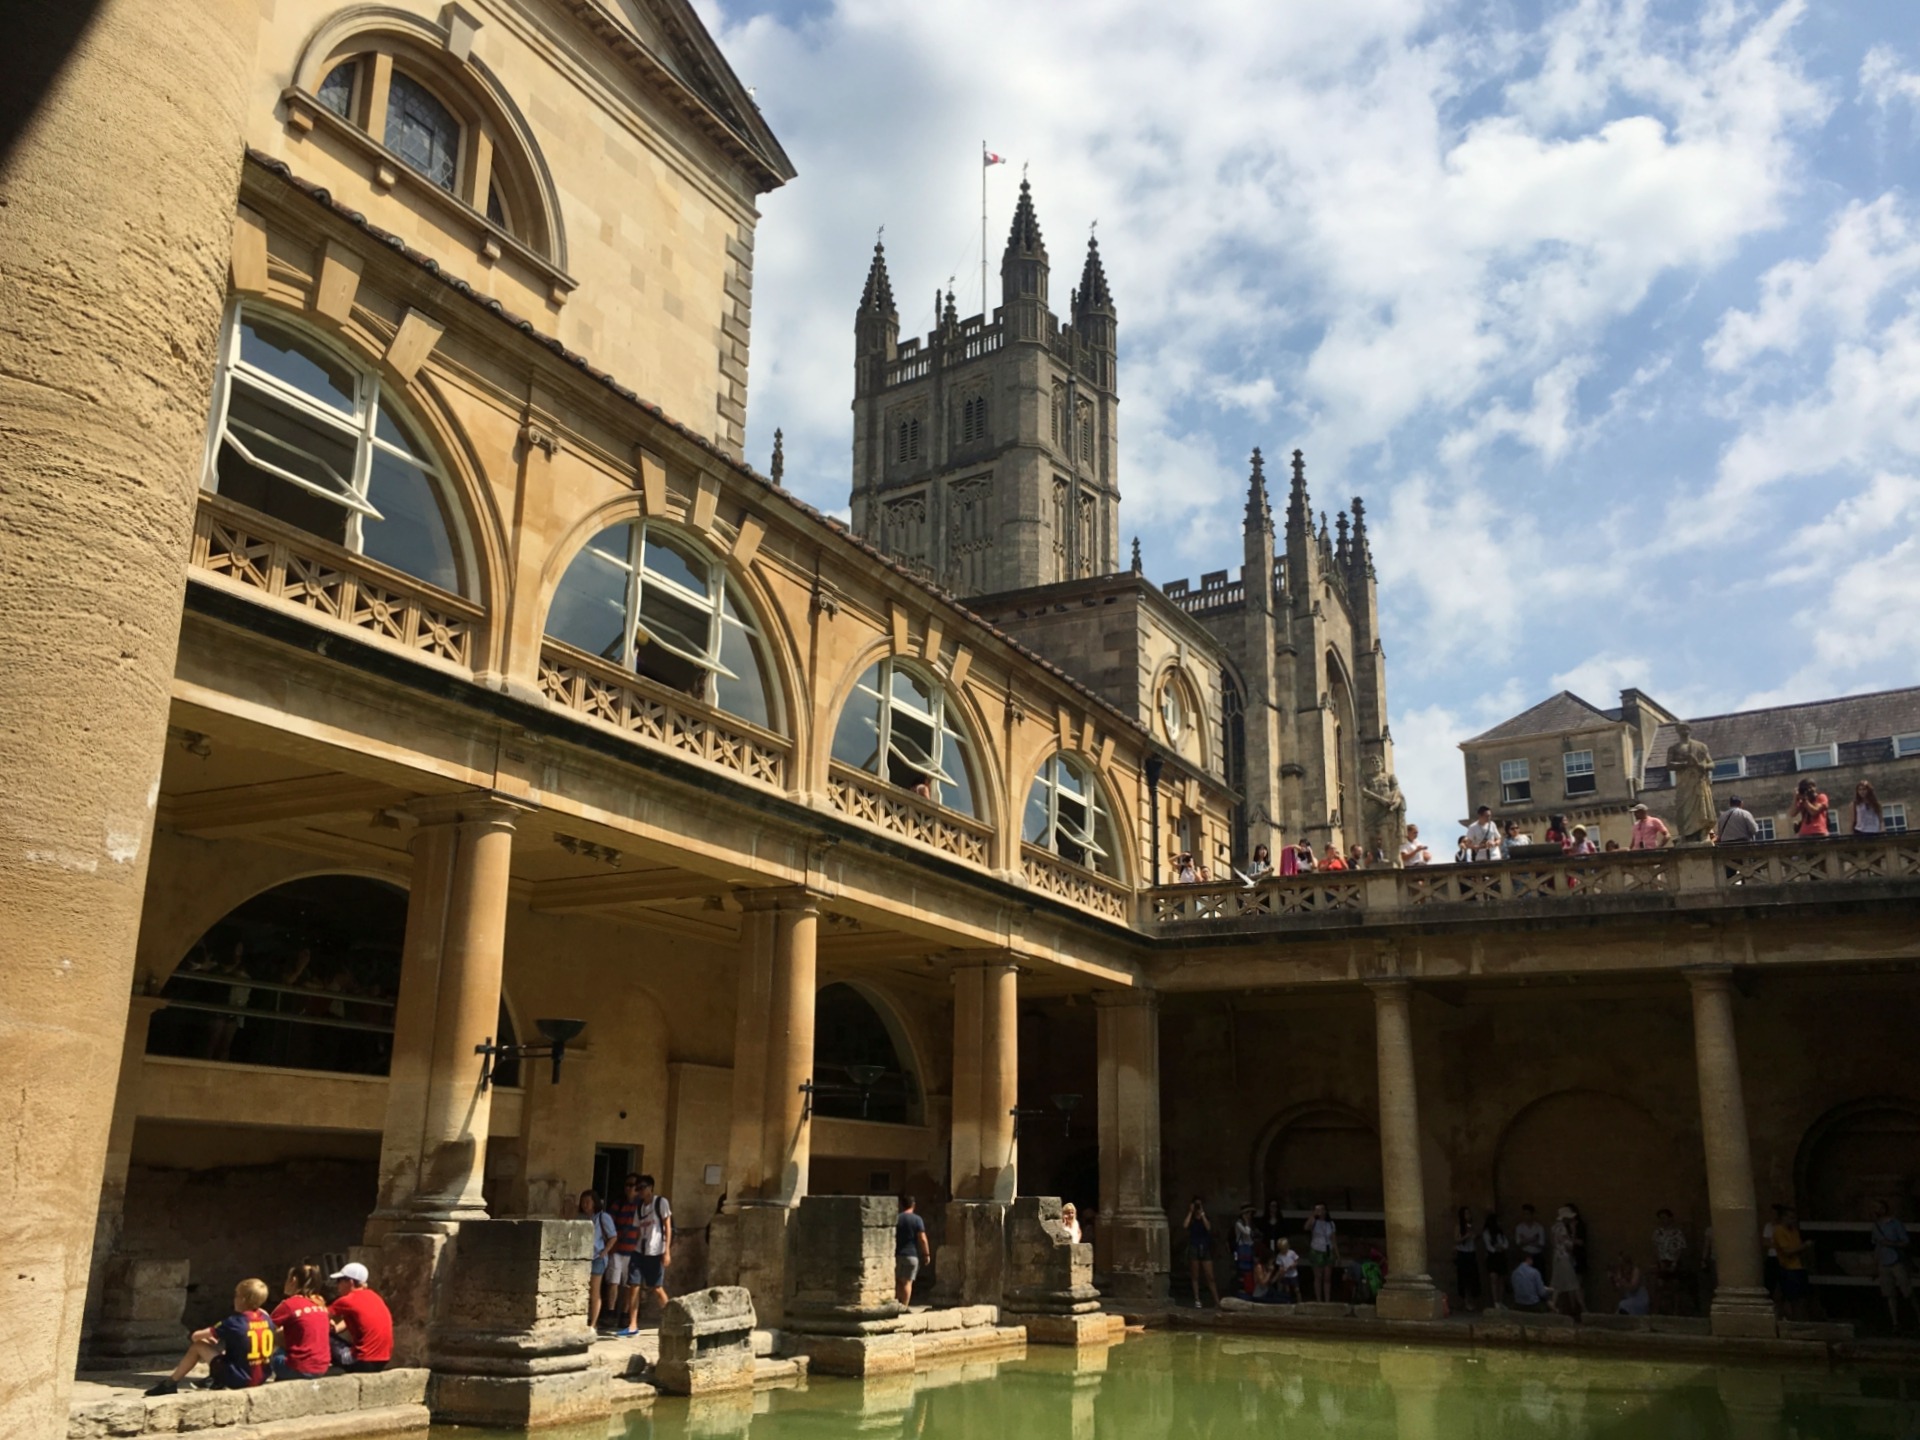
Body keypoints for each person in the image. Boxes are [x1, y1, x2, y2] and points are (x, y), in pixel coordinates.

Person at [146, 1277, 277, 1396]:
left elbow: (196, 1336)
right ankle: (215, 1379)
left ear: (242, 1299)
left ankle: (170, 1383)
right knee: (228, 1350)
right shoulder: (266, 1318)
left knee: (198, 1346)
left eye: (236, 1295)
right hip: (262, 1376)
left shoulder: (234, 1322)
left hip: (240, 1379)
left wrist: (205, 1338)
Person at [327, 1262, 393, 1373]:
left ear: (350, 1282)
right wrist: (336, 1329)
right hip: (382, 1360)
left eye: (339, 1281)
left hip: (361, 1361)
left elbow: (315, 1317)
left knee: (323, 1337)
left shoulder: (347, 1300)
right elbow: (358, 1319)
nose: (337, 1285)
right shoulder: (374, 1297)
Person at [270, 1263, 332, 1380]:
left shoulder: (289, 1304)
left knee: (275, 1346)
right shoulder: (321, 1303)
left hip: (299, 1368)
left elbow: (265, 1327)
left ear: (293, 1280)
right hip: (322, 1367)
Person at [1871, 1199, 1915, 1328]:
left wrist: (1890, 1244)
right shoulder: (1876, 1226)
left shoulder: (1895, 1224)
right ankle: (1895, 1323)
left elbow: (1905, 1242)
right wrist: (1875, 1265)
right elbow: (1877, 1246)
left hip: (1896, 1261)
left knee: (1908, 1292)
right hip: (1884, 1263)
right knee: (1889, 1294)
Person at [579, 1188, 617, 1331]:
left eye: (588, 1201)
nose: (585, 1204)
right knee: (585, 1291)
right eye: (583, 1202)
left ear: (595, 1203)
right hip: (585, 1258)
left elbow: (613, 1236)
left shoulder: (603, 1217)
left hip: (597, 1258)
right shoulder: (584, 1218)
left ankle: (593, 1324)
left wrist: (604, 1252)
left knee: (594, 1291)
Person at [1771, 1206, 1811, 1320]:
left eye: (1794, 1218)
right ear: (1783, 1217)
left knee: (1801, 1299)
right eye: (1790, 1217)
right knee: (1793, 1299)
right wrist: (1804, 1246)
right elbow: (1787, 1251)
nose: (1792, 1220)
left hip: (1798, 1267)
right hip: (1789, 1269)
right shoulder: (1779, 1230)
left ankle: (1799, 1320)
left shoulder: (1794, 1231)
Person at [1651, 1209, 1689, 1315]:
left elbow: (1680, 1248)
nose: (1663, 1220)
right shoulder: (1657, 1233)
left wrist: (1675, 1262)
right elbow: (1656, 1248)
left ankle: (1675, 1311)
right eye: (1661, 1218)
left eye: (1665, 1217)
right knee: (1660, 1285)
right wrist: (1659, 1261)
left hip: (1673, 1261)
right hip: (1662, 1261)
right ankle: (1658, 1311)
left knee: (1675, 1286)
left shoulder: (1677, 1233)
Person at [1185, 1196, 1221, 1308]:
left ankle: (1217, 1301)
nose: (1197, 1207)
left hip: (1204, 1248)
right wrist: (1190, 1212)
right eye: (1196, 1205)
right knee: (1195, 1275)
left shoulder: (1205, 1217)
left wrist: (1202, 1214)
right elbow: (1185, 1225)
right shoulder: (1191, 1219)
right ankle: (1197, 1299)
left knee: (1210, 1276)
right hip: (1194, 1247)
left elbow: (1208, 1228)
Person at [896, 1195, 931, 1304]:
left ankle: (897, 1304)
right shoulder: (917, 1219)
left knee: (898, 1282)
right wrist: (926, 1254)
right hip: (911, 1254)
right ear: (913, 1205)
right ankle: (905, 1306)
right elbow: (922, 1238)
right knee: (907, 1282)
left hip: (897, 1254)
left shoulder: (897, 1218)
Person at [1550, 1206, 1584, 1317]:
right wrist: (1573, 1233)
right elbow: (1569, 1245)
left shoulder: (1554, 1227)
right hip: (1564, 1258)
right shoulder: (1562, 1229)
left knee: (1558, 1283)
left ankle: (1553, 1303)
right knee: (1574, 1283)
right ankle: (1583, 1308)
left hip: (1557, 1257)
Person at [1307, 1202, 1340, 1303]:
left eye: (1322, 1209)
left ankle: (1327, 1300)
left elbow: (1334, 1240)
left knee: (1327, 1277)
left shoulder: (1330, 1223)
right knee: (1318, 1277)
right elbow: (1306, 1227)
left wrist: (1338, 1255)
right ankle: (1319, 1300)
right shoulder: (1314, 1222)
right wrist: (1313, 1214)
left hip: (1328, 1251)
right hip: (1317, 1250)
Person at [1453, 1206, 1481, 1313]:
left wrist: (1475, 1235)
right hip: (1463, 1254)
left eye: (1469, 1213)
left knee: (1473, 1278)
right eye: (1466, 1214)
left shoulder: (1471, 1226)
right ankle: (1466, 1301)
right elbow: (1456, 1240)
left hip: (1471, 1253)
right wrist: (1466, 1236)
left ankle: (1473, 1300)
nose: (1468, 1216)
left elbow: (1476, 1236)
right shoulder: (1458, 1227)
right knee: (1464, 1278)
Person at [1481, 1210, 1510, 1309]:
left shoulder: (1500, 1233)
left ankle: (1501, 1300)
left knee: (1501, 1280)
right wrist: (1496, 1248)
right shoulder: (1486, 1233)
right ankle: (1495, 1301)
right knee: (1494, 1279)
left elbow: (1506, 1244)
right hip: (1492, 1257)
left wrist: (1501, 1247)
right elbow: (1489, 1247)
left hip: (1501, 1256)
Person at [1232, 1204, 1259, 1293]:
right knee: (1243, 1270)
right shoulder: (1239, 1223)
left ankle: (1250, 1288)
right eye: (1248, 1214)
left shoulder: (1252, 1224)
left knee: (1251, 1269)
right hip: (1243, 1249)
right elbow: (1246, 1233)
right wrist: (1247, 1223)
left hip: (1250, 1248)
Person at [1514, 1204, 1548, 1273]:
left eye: (1527, 1214)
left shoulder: (1539, 1227)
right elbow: (1518, 1242)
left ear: (1532, 1215)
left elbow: (1541, 1243)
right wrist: (1533, 1239)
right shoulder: (1519, 1227)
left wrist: (1525, 1240)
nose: (1526, 1216)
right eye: (1524, 1214)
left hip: (1537, 1255)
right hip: (1525, 1255)